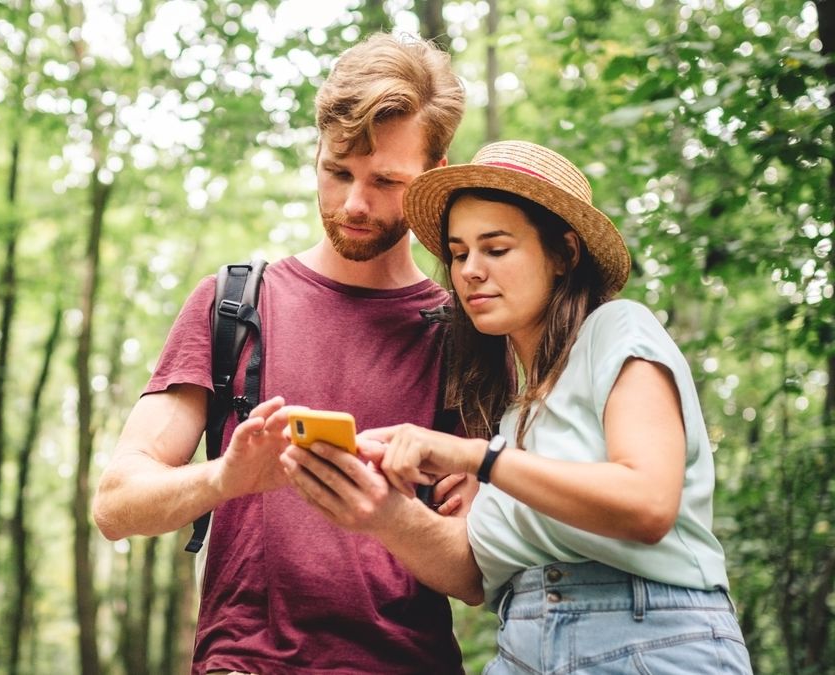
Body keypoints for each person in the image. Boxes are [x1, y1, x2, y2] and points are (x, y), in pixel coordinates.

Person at [292, 140, 751, 673]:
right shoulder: (511, 417)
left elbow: (647, 505)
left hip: (650, 640)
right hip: (523, 647)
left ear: (564, 254)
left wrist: (476, 458)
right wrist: (379, 509)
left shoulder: (617, 330)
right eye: (459, 253)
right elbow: (471, 577)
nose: (469, 271)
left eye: (497, 248)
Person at [92, 33, 472, 674]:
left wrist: (385, 514)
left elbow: (473, 573)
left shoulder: (462, 333)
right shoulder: (233, 302)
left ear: (434, 178)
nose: (354, 202)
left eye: (386, 181)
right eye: (337, 172)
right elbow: (115, 504)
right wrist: (225, 480)